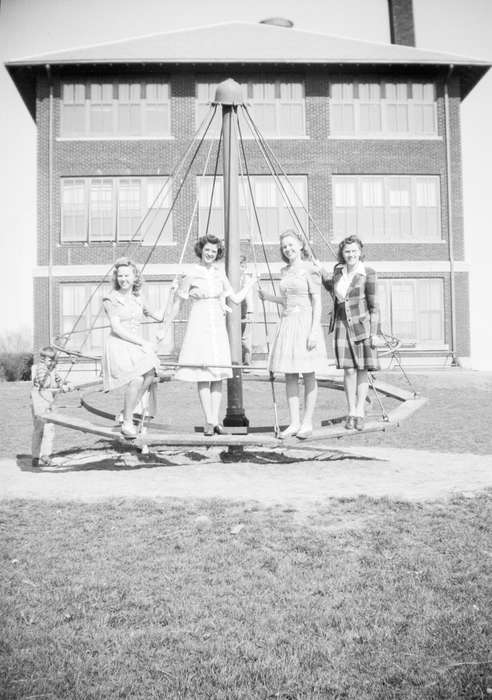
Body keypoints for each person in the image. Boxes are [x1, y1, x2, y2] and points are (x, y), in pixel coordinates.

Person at [164, 235, 256, 436]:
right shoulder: (191, 273)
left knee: (218, 374)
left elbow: (235, 298)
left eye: (214, 251)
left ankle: (215, 421)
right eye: (207, 250)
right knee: (203, 373)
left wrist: (250, 284)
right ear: (201, 250)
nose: (210, 254)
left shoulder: (219, 273)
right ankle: (209, 419)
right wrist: (164, 327)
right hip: (199, 322)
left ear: (217, 254)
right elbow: (178, 303)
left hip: (216, 324)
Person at [259, 229, 327, 439]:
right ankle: (294, 422)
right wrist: (268, 297)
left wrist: (314, 330)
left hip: (305, 323)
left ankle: (307, 422)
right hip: (288, 323)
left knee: (308, 373)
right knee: (289, 374)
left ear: (300, 244)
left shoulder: (310, 269)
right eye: (284, 247)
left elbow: (316, 301)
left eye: (291, 245)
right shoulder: (285, 271)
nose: (288, 249)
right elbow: (288, 300)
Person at [320, 235, 379, 431]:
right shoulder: (338, 272)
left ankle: (360, 411)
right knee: (349, 370)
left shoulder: (368, 273)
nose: (351, 254)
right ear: (342, 254)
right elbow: (331, 287)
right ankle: (351, 410)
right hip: (342, 325)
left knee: (362, 369)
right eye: (347, 251)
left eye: (354, 251)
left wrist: (374, 333)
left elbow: (374, 306)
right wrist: (320, 270)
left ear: (360, 252)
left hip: (362, 327)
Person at [102, 257, 162, 438]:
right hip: (119, 344)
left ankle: (126, 412)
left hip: (135, 344)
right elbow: (116, 328)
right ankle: (127, 421)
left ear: (135, 277)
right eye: (120, 276)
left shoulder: (138, 299)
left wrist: (174, 294)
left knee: (150, 372)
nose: (123, 279)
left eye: (127, 275)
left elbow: (158, 316)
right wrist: (142, 342)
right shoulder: (110, 299)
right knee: (135, 379)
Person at [31, 345, 74, 467]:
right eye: (49, 360)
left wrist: (68, 384)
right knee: (39, 429)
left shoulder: (52, 369)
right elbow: (43, 385)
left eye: (53, 360)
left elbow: (60, 381)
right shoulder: (39, 368)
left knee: (49, 428)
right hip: (39, 400)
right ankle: (36, 456)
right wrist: (60, 389)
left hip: (49, 400)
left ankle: (45, 455)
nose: (51, 362)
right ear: (43, 359)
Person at [239, 255, 254, 367]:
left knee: (245, 338)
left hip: (246, 312)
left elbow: (247, 297)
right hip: (234, 312)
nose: (240, 268)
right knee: (235, 337)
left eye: (242, 266)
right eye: (238, 265)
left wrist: (249, 312)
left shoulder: (246, 279)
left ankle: (247, 361)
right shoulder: (231, 279)